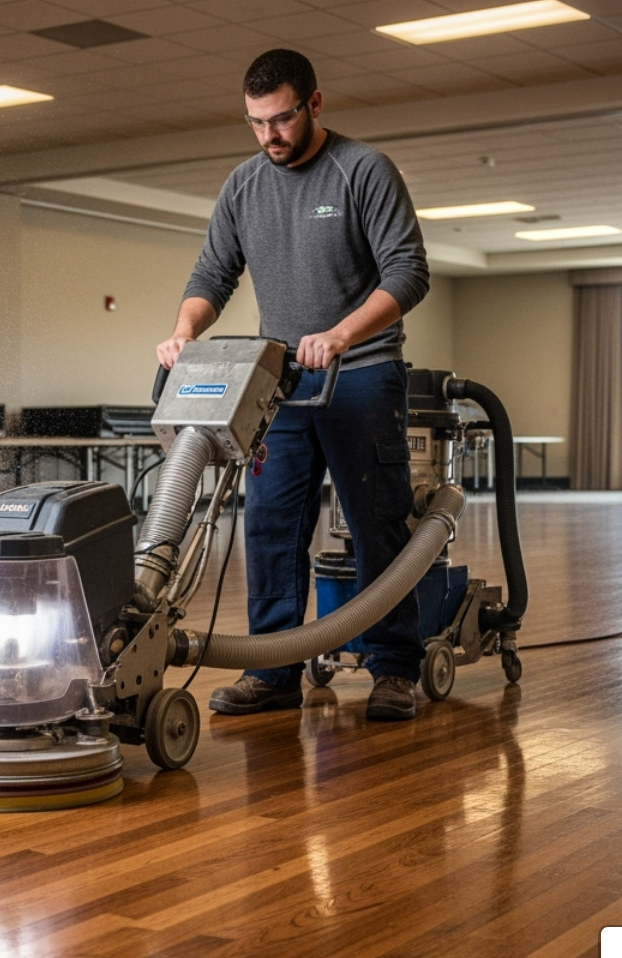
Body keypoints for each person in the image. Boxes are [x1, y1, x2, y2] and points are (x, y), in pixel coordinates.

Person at [156, 48, 430, 721]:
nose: (270, 136)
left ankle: (395, 668)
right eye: (256, 123)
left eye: (281, 119)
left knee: (378, 522)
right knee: (272, 525)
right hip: (279, 385)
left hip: (361, 374)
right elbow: (211, 277)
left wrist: (341, 333)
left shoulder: (363, 170)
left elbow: (408, 273)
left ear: (314, 104)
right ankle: (274, 671)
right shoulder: (244, 186)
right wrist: (185, 331)